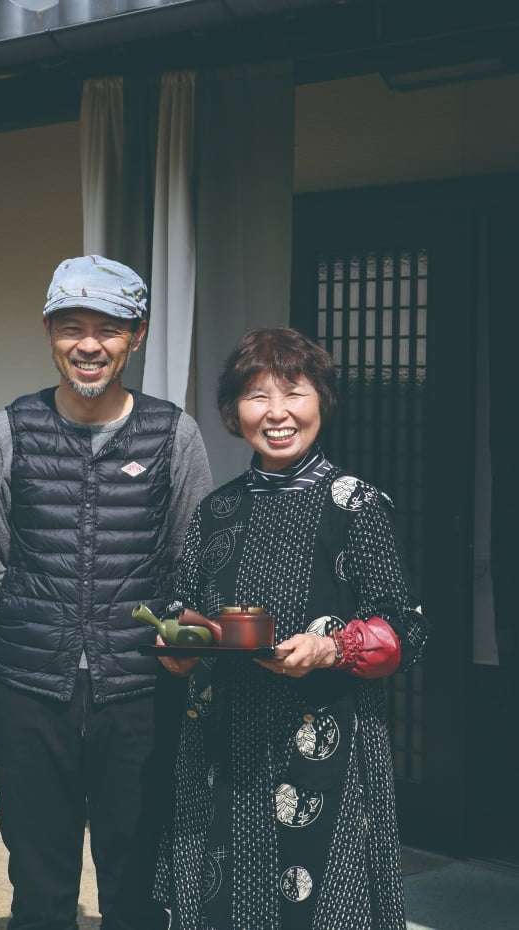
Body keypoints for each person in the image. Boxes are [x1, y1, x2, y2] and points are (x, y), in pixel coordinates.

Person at [154, 327, 430, 930]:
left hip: (321, 746)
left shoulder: (354, 504)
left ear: (321, 402)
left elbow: (407, 631)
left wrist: (332, 646)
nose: (277, 413)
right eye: (256, 396)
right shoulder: (216, 510)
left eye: (294, 393)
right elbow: (181, 609)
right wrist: (176, 645)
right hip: (223, 748)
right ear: (234, 412)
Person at [0, 254, 213, 930]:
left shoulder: (174, 434)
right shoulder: (5, 433)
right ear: (48, 332)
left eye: (109, 328)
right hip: (30, 689)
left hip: (139, 691)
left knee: (135, 888)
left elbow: (189, 560)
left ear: (136, 335)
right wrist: (36, 631)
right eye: (71, 326)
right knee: (39, 887)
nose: (88, 345)